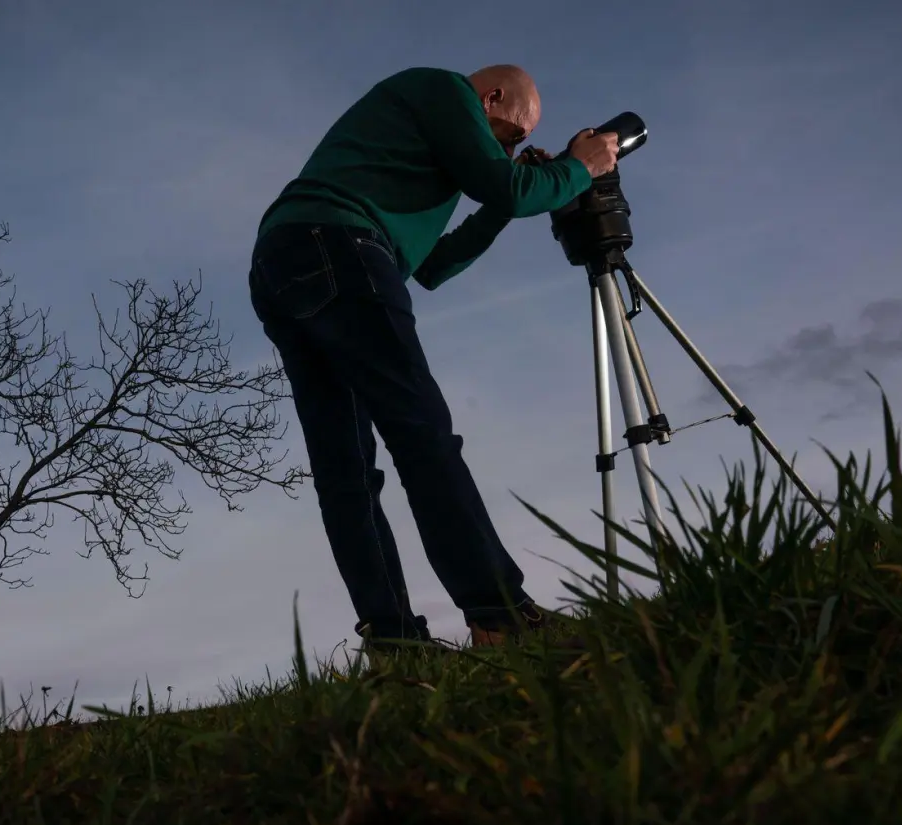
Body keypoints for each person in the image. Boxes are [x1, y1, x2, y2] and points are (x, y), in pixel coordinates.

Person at [246, 64, 622, 656]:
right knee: (423, 434)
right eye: (513, 135)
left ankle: (394, 643)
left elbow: (435, 266)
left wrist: (507, 199)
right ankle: (499, 615)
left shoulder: (424, 160)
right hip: (338, 242)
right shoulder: (443, 89)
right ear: (491, 97)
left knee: (345, 465)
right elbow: (513, 189)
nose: (510, 148)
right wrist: (581, 167)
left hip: (287, 263)